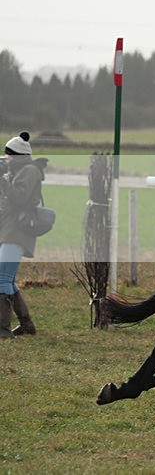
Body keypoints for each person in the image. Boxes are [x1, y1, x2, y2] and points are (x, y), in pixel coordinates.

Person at [0, 132, 46, 339]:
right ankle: (26, 324)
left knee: (2, 279)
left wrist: (3, 180)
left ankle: (3, 329)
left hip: (17, 232)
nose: (6, 159)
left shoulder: (28, 171)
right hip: (10, 230)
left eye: (9, 156)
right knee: (8, 279)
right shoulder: (20, 170)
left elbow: (19, 198)